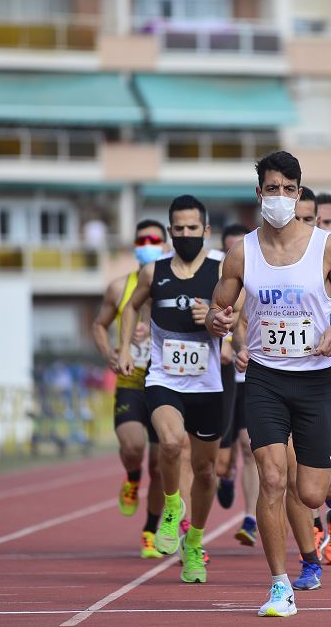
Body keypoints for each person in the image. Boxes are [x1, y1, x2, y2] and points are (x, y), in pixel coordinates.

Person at [205, 151, 331, 617]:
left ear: (298, 193)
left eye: (288, 189)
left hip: (317, 381)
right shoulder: (243, 252)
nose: (279, 197)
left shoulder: (326, 247)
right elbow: (220, 309)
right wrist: (217, 323)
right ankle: (280, 585)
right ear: (258, 193)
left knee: (313, 493)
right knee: (273, 478)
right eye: (271, 188)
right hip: (264, 379)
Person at [117, 195, 226, 584]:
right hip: (164, 378)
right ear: (169, 232)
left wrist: (214, 317)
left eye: (192, 229)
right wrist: (128, 347)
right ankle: (170, 505)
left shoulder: (221, 269)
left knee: (206, 471)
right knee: (170, 443)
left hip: (208, 383)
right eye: (178, 229)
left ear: (206, 231)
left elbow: (238, 314)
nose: (185, 235)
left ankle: (194, 542)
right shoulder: (155, 272)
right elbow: (131, 307)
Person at [91, 220, 167, 559]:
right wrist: (111, 352)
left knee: (161, 466)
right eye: (142, 239)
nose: (148, 243)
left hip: (164, 382)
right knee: (134, 447)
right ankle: (131, 475)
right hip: (130, 383)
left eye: (155, 239)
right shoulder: (118, 287)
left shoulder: (171, 284)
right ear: (134, 245)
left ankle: (150, 530)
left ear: (165, 245)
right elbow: (98, 325)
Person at [214, 223, 261, 547]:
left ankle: (249, 519)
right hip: (219, 380)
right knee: (221, 458)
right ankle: (225, 475)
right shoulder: (219, 289)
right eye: (230, 249)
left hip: (251, 379)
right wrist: (222, 347)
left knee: (250, 447)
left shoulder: (259, 285)